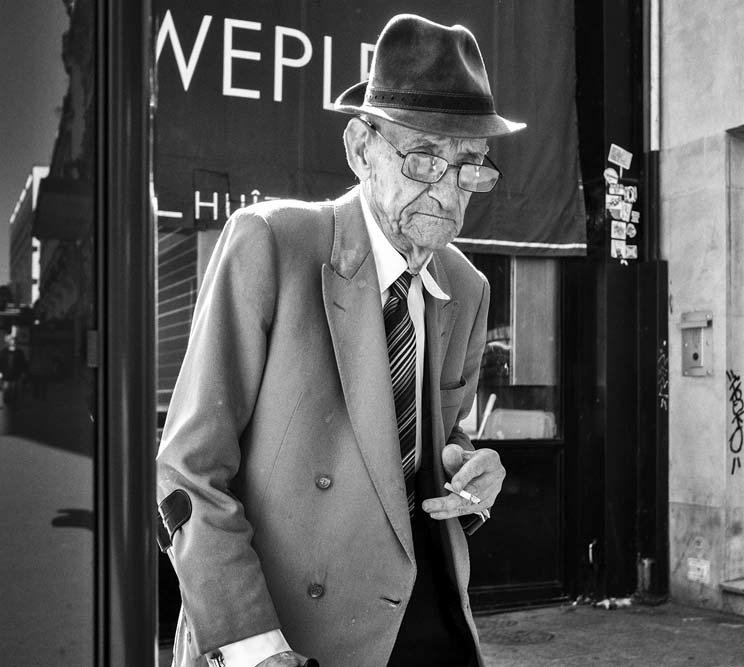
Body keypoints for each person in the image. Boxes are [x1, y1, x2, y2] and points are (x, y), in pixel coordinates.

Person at [156, 14, 524, 667]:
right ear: (360, 148)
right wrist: (255, 646)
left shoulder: (465, 287)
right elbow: (188, 473)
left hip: (431, 629)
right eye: (422, 157)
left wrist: (470, 473)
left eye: (467, 165)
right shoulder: (272, 244)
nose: (444, 189)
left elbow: (414, 455)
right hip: (293, 637)